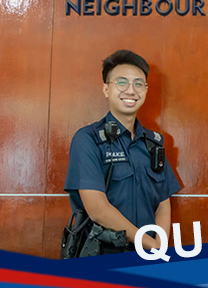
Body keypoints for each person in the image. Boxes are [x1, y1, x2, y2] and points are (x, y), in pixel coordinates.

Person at [64, 50, 181, 254]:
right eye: (121, 82)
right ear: (106, 89)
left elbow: (163, 202)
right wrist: (150, 244)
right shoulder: (88, 139)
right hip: (102, 256)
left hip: (148, 258)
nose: (130, 90)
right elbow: (98, 209)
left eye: (138, 84)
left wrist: (159, 245)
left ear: (145, 90)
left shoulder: (153, 143)